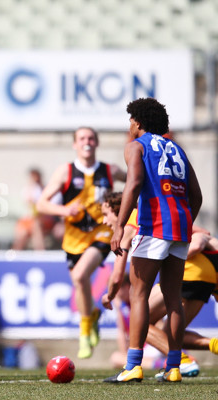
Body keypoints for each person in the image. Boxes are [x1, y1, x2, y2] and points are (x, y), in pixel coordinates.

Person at [103, 98, 202, 383]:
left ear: (138, 122)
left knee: (139, 295)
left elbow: (133, 185)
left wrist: (119, 226)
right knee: (173, 300)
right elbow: (197, 196)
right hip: (180, 230)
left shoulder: (136, 146)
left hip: (154, 227)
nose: (129, 125)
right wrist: (184, 223)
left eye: (130, 120)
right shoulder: (178, 150)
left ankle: (133, 365)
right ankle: (173, 368)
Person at [101, 191, 216, 379]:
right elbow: (203, 232)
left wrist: (110, 294)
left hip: (190, 269)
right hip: (208, 271)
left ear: (119, 210)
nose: (104, 221)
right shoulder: (160, 213)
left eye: (106, 214)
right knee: (166, 329)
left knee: (140, 319)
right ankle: (187, 359)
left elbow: (117, 275)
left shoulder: (131, 221)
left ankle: (177, 362)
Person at [36, 126, 126, 359]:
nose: (87, 142)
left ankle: (84, 331)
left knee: (79, 276)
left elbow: (135, 183)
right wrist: (64, 209)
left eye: (91, 138)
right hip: (74, 237)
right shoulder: (65, 172)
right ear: (75, 144)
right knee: (80, 282)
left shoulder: (109, 170)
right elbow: (42, 204)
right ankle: (91, 317)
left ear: (97, 143)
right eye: (82, 138)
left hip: (102, 233)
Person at [13, 168, 61, 250]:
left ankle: (40, 254)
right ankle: (14, 256)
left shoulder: (49, 190)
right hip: (31, 220)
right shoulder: (28, 190)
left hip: (47, 220)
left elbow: (51, 208)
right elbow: (30, 205)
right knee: (22, 233)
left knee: (36, 224)